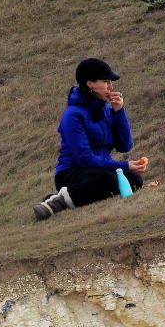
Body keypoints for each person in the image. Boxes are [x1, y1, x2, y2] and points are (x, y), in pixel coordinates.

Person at [33, 57, 148, 220]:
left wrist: (118, 112)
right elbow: (84, 158)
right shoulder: (72, 115)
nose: (111, 86)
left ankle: (69, 196)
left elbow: (125, 145)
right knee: (107, 179)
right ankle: (56, 202)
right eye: (106, 81)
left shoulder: (106, 110)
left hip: (99, 170)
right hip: (72, 172)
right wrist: (124, 165)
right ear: (90, 84)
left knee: (134, 179)